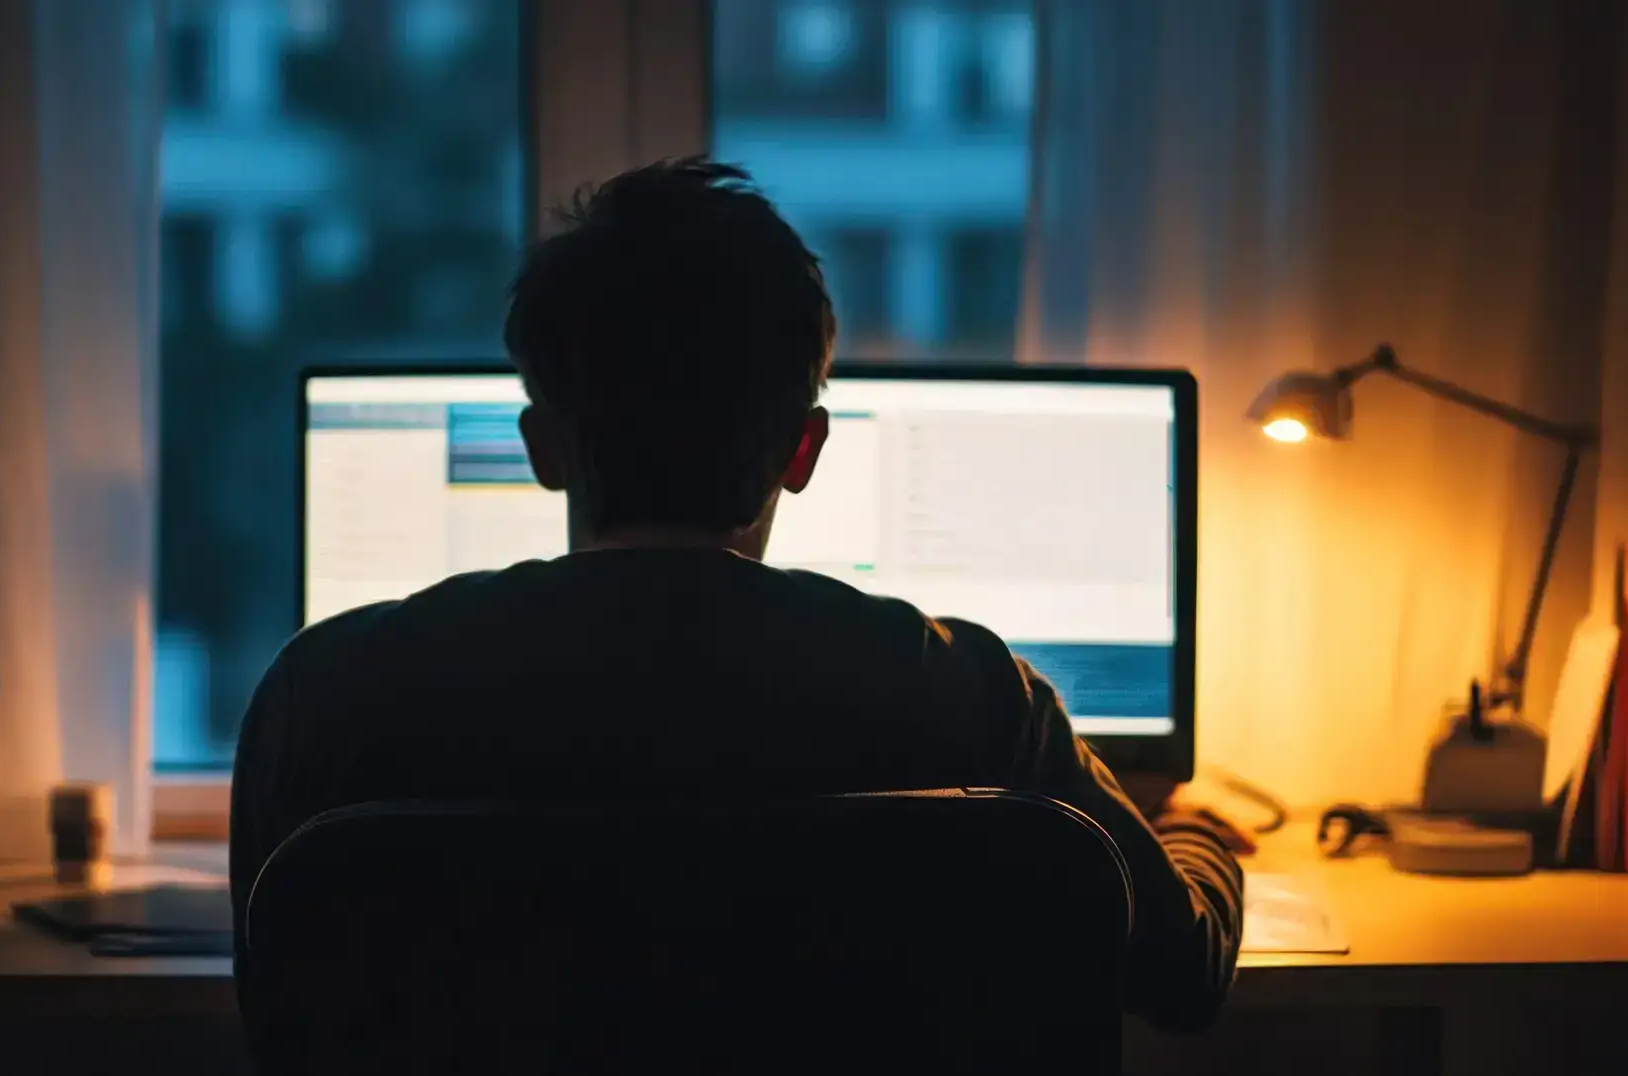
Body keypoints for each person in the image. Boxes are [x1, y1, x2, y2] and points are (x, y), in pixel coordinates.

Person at [230, 157, 1245, 1032]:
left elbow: (277, 1008)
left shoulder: (321, 697)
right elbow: (1182, 976)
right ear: (805, 450)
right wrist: (1194, 831)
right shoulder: (978, 700)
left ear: (541, 449)